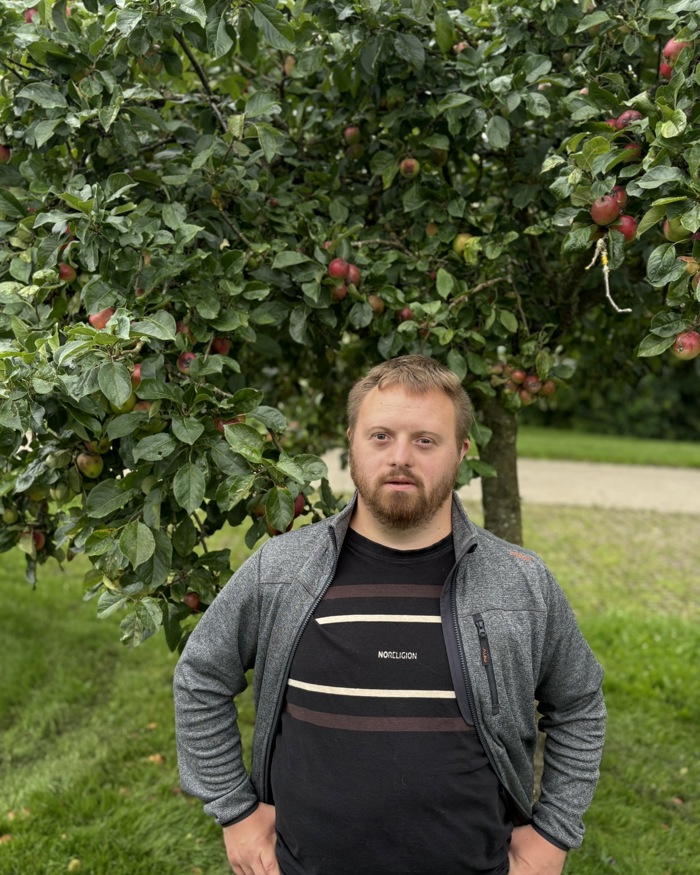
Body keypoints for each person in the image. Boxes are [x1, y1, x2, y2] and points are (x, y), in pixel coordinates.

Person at [174, 355, 606, 875]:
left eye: (425, 440)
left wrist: (553, 834)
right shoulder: (282, 571)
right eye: (380, 436)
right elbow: (202, 676)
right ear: (351, 442)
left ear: (461, 453)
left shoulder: (520, 581)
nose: (401, 457)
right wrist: (235, 813)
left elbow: (579, 703)